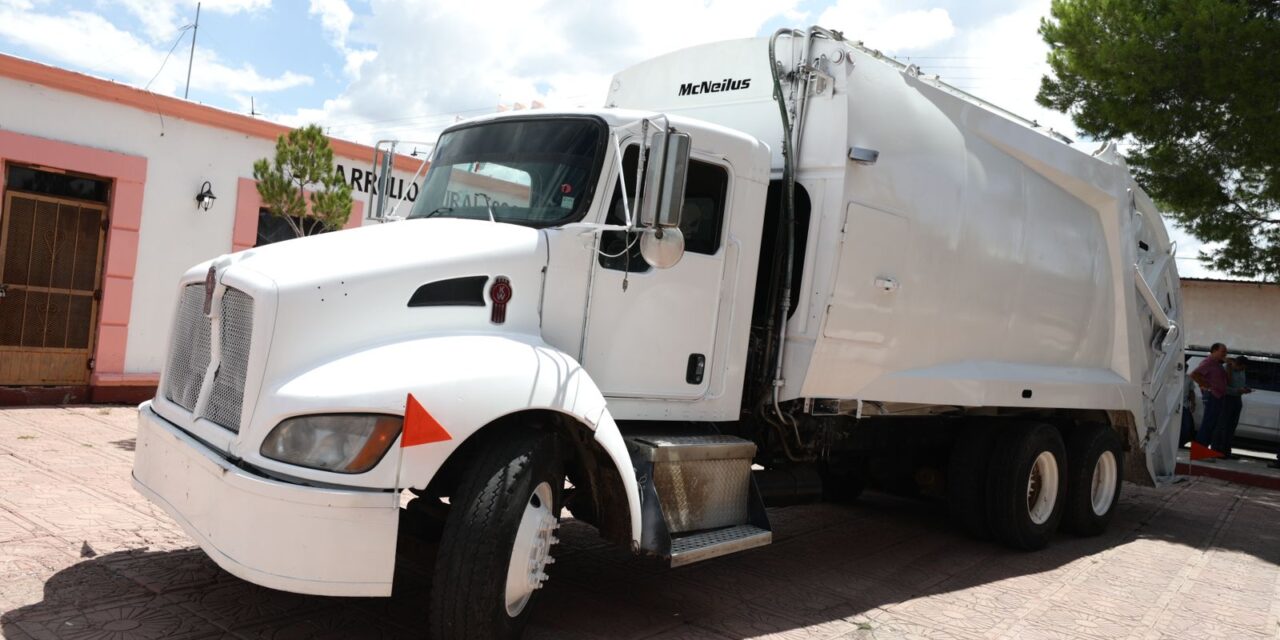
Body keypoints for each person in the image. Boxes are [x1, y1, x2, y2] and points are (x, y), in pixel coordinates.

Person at [1190, 343, 1229, 449]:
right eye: (1223, 352)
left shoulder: (1218, 364)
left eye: (1225, 352)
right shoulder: (1208, 362)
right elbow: (1194, 374)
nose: (1225, 354)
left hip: (1218, 397)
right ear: (1214, 351)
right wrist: (1206, 387)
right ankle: (1199, 449)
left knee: (1212, 424)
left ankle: (1203, 449)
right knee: (1208, 423)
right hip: (1212, 396)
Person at [1215, 355, 1253, 457]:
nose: (1242, 370)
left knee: (1231, 426)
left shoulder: (1241, 370)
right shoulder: (1225, 368)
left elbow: (1240, 383)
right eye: (1242, 368)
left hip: (1237, 399)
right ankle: (1216, 449)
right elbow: (1222, 387)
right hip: (1226, 399)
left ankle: (1226, 451)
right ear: (1236, 364)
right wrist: (1237, 390)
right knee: (1222, 425)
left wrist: (1245, 388)